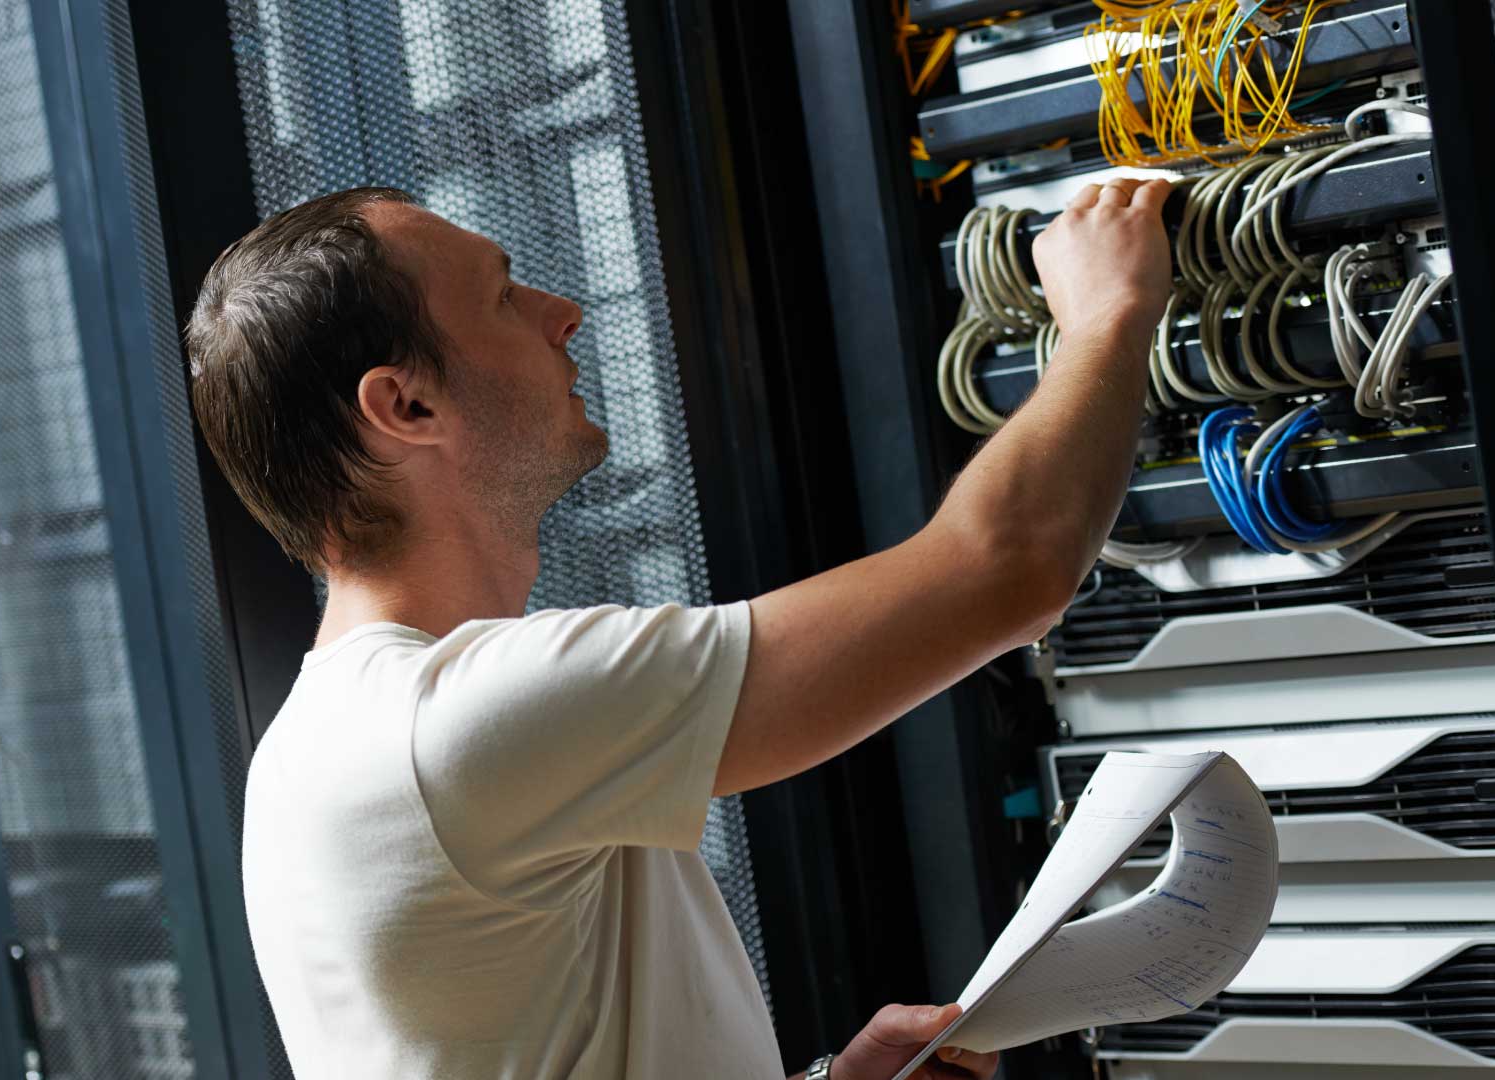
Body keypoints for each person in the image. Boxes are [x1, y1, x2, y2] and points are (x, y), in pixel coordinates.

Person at [184, 174, 1172, 1079]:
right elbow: (1010, 568)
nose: (561, 315)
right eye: (502, 296)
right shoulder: (458, 719)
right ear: (405, 403)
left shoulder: (312, 752)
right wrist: (1105, 313)